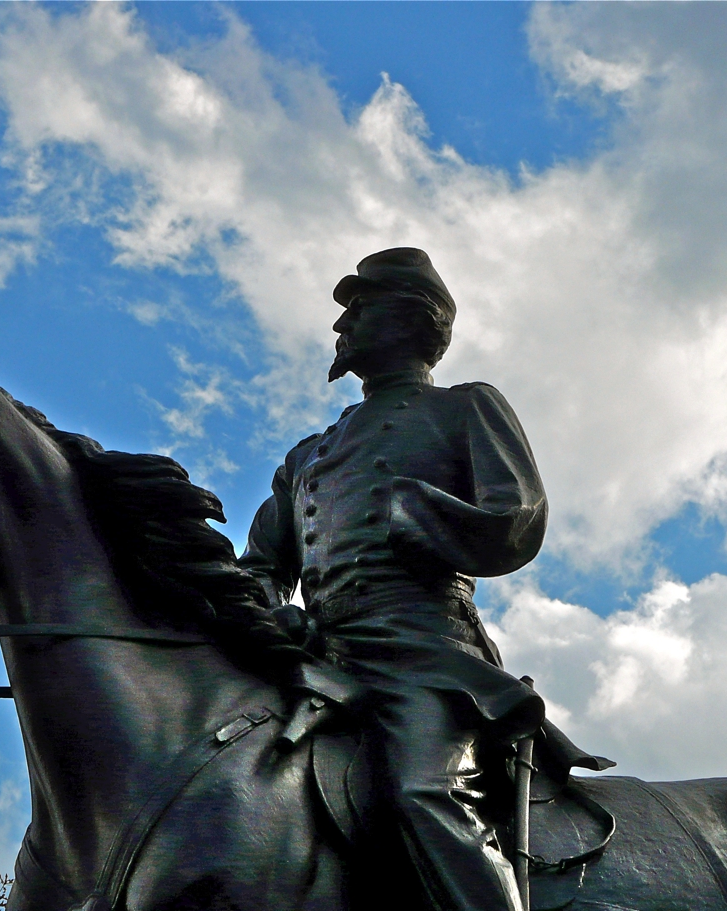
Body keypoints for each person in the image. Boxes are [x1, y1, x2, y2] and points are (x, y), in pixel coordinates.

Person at [240, 247, 548, 911]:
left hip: (421, 651)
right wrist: (269, 615)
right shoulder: (307, 456)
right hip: (318, 660)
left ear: (413, 319)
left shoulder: (465, 407)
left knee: (425, 791)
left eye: (359, 307)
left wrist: (425, 511)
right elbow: (260, 568)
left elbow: (517, 515)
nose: (340, 325)